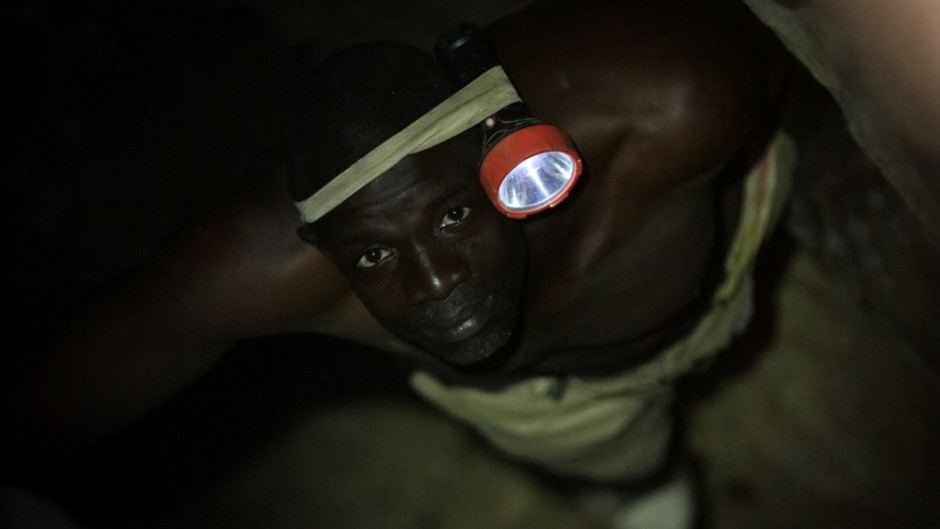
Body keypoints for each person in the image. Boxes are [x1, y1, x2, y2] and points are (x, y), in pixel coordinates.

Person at [9, 0, 795, 527]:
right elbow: (91, 365)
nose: (434, 279)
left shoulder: (667, 107)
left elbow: (806, 58)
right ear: (321, 251)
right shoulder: (270, 271)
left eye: (452, 215)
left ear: (499, 167)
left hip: (721, 270)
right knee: (619, 466)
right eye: (375, 252)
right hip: (551, 406)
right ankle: (636, 483)